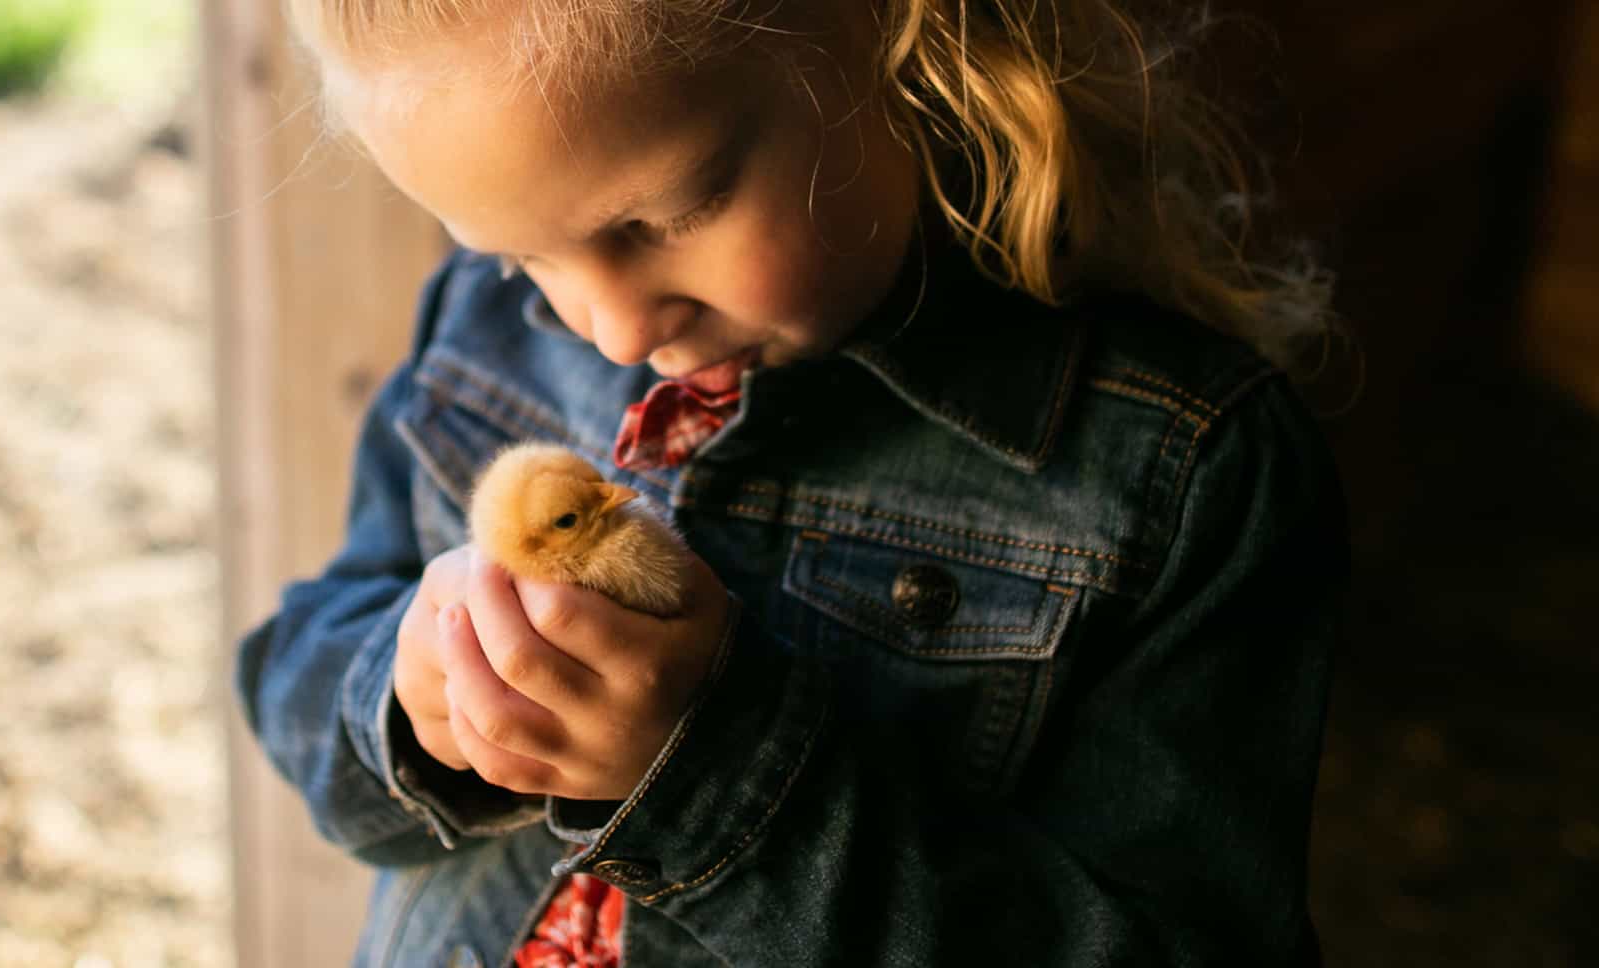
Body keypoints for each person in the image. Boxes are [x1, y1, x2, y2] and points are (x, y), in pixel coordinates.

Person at [231, 0, 1348, 963]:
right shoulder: (486, 330)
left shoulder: (1186, 475)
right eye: (521, 253)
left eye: (661, 218)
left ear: (890, 30)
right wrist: (413, 701)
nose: (612, 325)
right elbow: (291, 668)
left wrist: (716, 775)